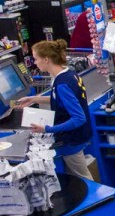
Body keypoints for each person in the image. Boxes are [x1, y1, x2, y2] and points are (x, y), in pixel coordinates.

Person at [16, 40, 93, 180]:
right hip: (78, 136)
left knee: (84, 180)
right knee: (76, 177)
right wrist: (34, 99)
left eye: (36, 59)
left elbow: (79, 118)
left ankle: (99, 201)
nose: (35, 63)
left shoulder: (62, 84)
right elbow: (62, 100)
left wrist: (47, 129)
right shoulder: (68, 74)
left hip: (72, 139)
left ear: (46, 59)